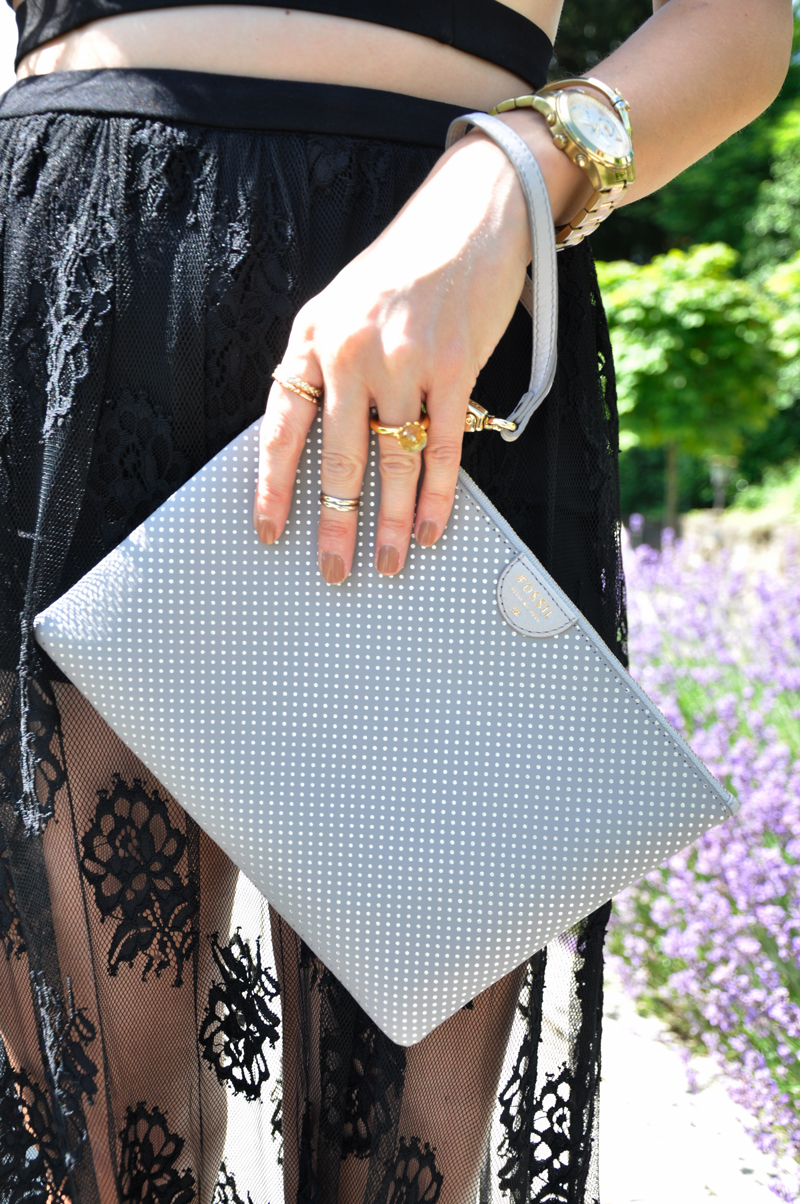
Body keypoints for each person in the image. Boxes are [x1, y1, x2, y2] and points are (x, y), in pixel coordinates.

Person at [0, 1, 790, 1202]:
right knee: (94, 1162)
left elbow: (735, 29)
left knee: (400, 1177)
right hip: (69, 305)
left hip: (444, 321)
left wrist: (515, 169)